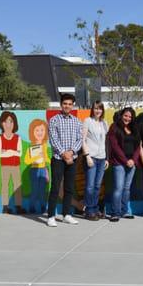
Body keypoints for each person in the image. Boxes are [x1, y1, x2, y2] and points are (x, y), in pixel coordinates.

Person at [46, 93, 83, 227]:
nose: (67, 106)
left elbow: (80, 140)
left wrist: (72, 152)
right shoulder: (54, 120)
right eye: (65, 103)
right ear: (61, 104)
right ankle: (50, 216)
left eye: (70, 104)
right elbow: (53, 139)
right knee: (55, 187)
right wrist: (64, 154)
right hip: (58, 159)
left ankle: (66, 215)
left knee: (69, 188)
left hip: (72, 159)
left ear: (73, 105)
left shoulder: (77, 121)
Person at [107, 107, 141, 222]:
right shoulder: (114, 127)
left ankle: (124, 211)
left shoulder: (134, 128)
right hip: (119, 163)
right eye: (126, 116)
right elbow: (115, 147)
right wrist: (126, 160)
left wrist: (133, 160)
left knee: (127, 189)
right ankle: (115, 213)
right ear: (121, 115)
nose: (127, 118)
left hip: (132, 164)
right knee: (118, 188)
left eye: (130, 117)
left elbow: (138, 146)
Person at [81, 101, 109, 221]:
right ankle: (89, 210)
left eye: (100, 108)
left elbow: (106, 142)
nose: (98, 111)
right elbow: (82, 140)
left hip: (102, 158)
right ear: (92, 109)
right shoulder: (88, 121)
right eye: (95, 108)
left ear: (102, 110)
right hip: (91, 157)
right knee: (90, 186)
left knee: (97, 186)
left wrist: (107, 158)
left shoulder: (104, 123)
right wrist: (87, 156)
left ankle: (95, 209)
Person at [0, 111, 25, 214]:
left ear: (14, 124)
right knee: (4, 185)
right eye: (6, 121)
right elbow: (0, 154)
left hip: (15, 165)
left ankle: (18, 206)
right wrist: (13, 151)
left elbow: (19, 153)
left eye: (11, 121)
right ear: (2, 123)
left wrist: (8, 151)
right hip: (4, 165)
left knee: (17, 185)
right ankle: (5, 206)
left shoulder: (18, 137)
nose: (8, 124)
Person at [24, 119, 50, 214]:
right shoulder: (31, 146)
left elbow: (46, 158)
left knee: (42, 191)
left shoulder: (44, 146)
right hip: (34, 170)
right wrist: (34, 158)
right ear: (32, 132)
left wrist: (49, 161)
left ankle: (43, 208)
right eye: (37, 130)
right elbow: (26, 160)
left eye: (42, 130)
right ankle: (31, 207)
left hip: (43, 169)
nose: (40, 133)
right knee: (34, 190)